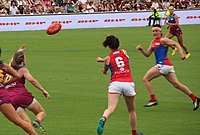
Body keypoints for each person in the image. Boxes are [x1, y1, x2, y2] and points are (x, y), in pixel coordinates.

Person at [136, 24, 199, 111]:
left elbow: (176, 43)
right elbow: (147, 54)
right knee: (177, 85)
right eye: (153, 31)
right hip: (167, 66)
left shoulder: (163, 40)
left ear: (161, 32)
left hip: (163, 65)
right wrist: (141, 49)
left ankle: (153, 99)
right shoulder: (153, 42)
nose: (155, 32)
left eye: (157, 30)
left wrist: (181, 53)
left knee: (146, 79)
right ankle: (194, 98)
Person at [96, 35, 143, 135]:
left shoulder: (108, 58)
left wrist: (103, 66)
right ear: (118, 44)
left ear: (108, 46)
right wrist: (102, 60)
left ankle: (103, 118)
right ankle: (134, 133)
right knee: (132, 111)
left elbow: (105, 69)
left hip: (115, 84)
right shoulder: (124, 52)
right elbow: (119, 60)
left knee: (111, 108)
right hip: (128, 83)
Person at [5, 46, 51, 134]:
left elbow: (11, 61)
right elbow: (32, 80)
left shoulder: (8, 69)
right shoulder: (23, 70)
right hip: (22, 95)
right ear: (23, 61)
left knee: (26, 122)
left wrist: (18, 52)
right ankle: (37, 121)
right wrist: (43, 90)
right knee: (41, 112)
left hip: (11, 99)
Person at [0, 48, 38, 135]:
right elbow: (17, 76)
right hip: (3, 95)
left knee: (18, 121)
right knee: (18, 121)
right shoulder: (4, 66)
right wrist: (4, 84)